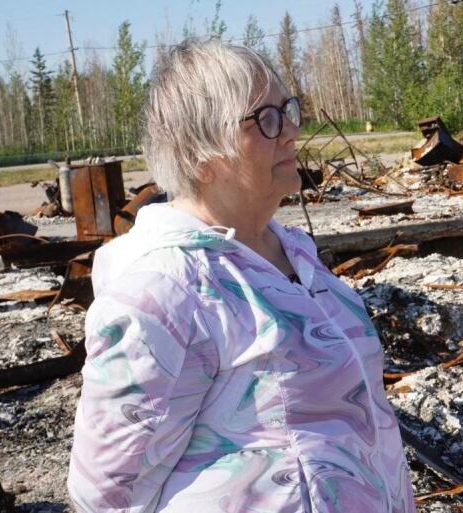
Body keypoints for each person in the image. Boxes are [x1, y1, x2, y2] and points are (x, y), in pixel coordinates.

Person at [67, 38, 415, 513]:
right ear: (198, 155)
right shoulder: (165, 291)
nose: (291, 131)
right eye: (265, 120)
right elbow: (105, 494)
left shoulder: (294, 252)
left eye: (287, 110)